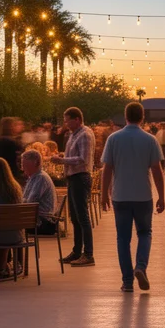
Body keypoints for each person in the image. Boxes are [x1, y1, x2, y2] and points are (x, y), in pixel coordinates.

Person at [101, 102, 165, 292]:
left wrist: (104, 193)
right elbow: (156, 169)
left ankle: (127, 281)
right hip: (143, 195)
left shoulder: (113, 139)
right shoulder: (150, 140)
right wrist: (161, 196)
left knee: (123, 238)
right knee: (145, 233)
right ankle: (141, 266)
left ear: (125, 116)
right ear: (142, 117)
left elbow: (107, 169)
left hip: (120, 195)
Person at [48, 107, 95, 266]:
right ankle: (77, 251)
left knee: (82, 217)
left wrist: (62, 161)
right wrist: (63, 157)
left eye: (67, 120)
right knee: (75, 217)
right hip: (73, 177)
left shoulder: (84, 135)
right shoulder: (73, 135)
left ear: (77, 119)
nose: (65, 123)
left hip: (80, 177)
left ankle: (88, 254)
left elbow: (82, 159)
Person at [21, 149, 59, 237]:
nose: (22, 168)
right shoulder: (34, 177)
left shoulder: (40, 178)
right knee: (8, 225)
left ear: (35, 163)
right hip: (39, 220)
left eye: (24, 165)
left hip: (43, 223)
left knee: (9, 226)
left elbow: (30, 203)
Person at [0, 117, 24, 181]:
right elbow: (20, 161)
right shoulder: (14, 143)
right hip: (12, 177)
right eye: (14, 125)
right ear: (11, 127)